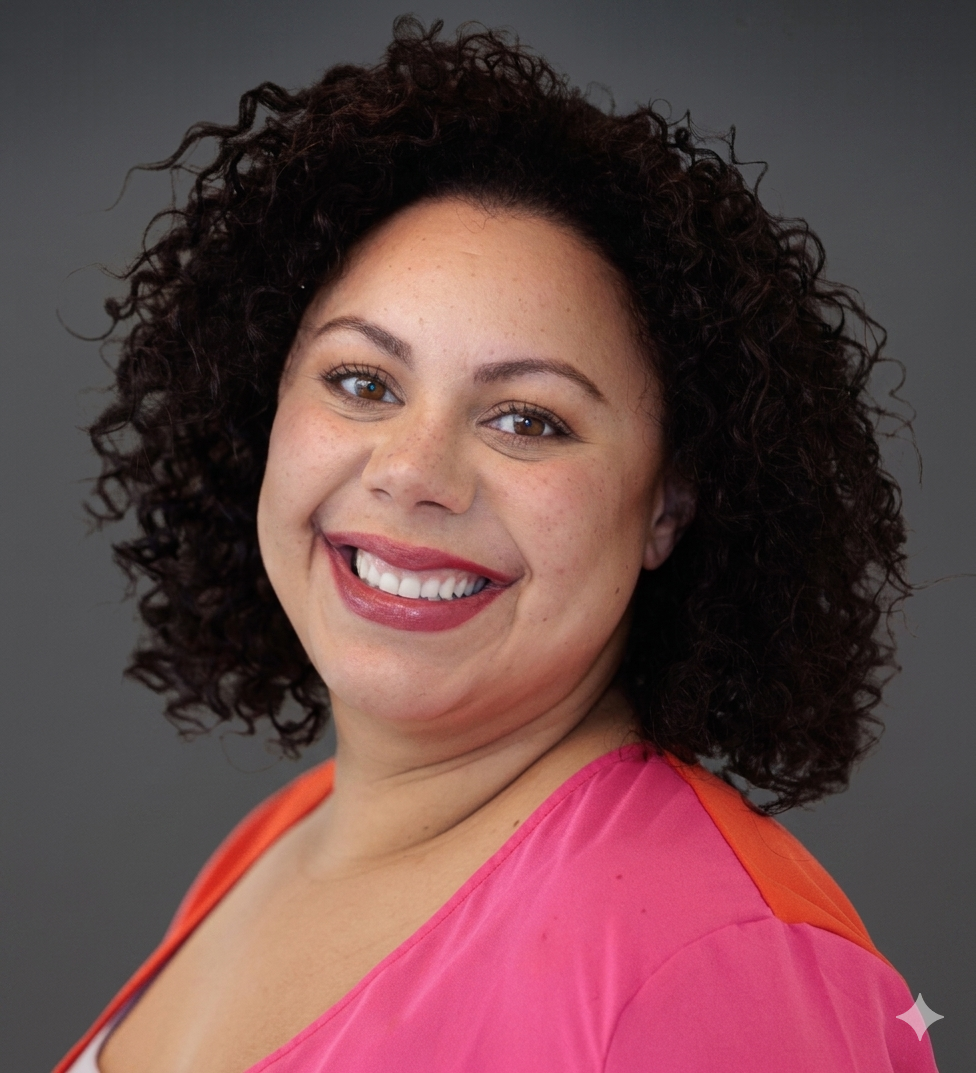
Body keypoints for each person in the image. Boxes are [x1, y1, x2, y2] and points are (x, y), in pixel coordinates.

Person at [56, 17, 938, 1073]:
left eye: (528, 418)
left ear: (667, 506)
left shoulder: (717, 963)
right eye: (361, 381)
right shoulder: (283, 835)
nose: (413, 470)